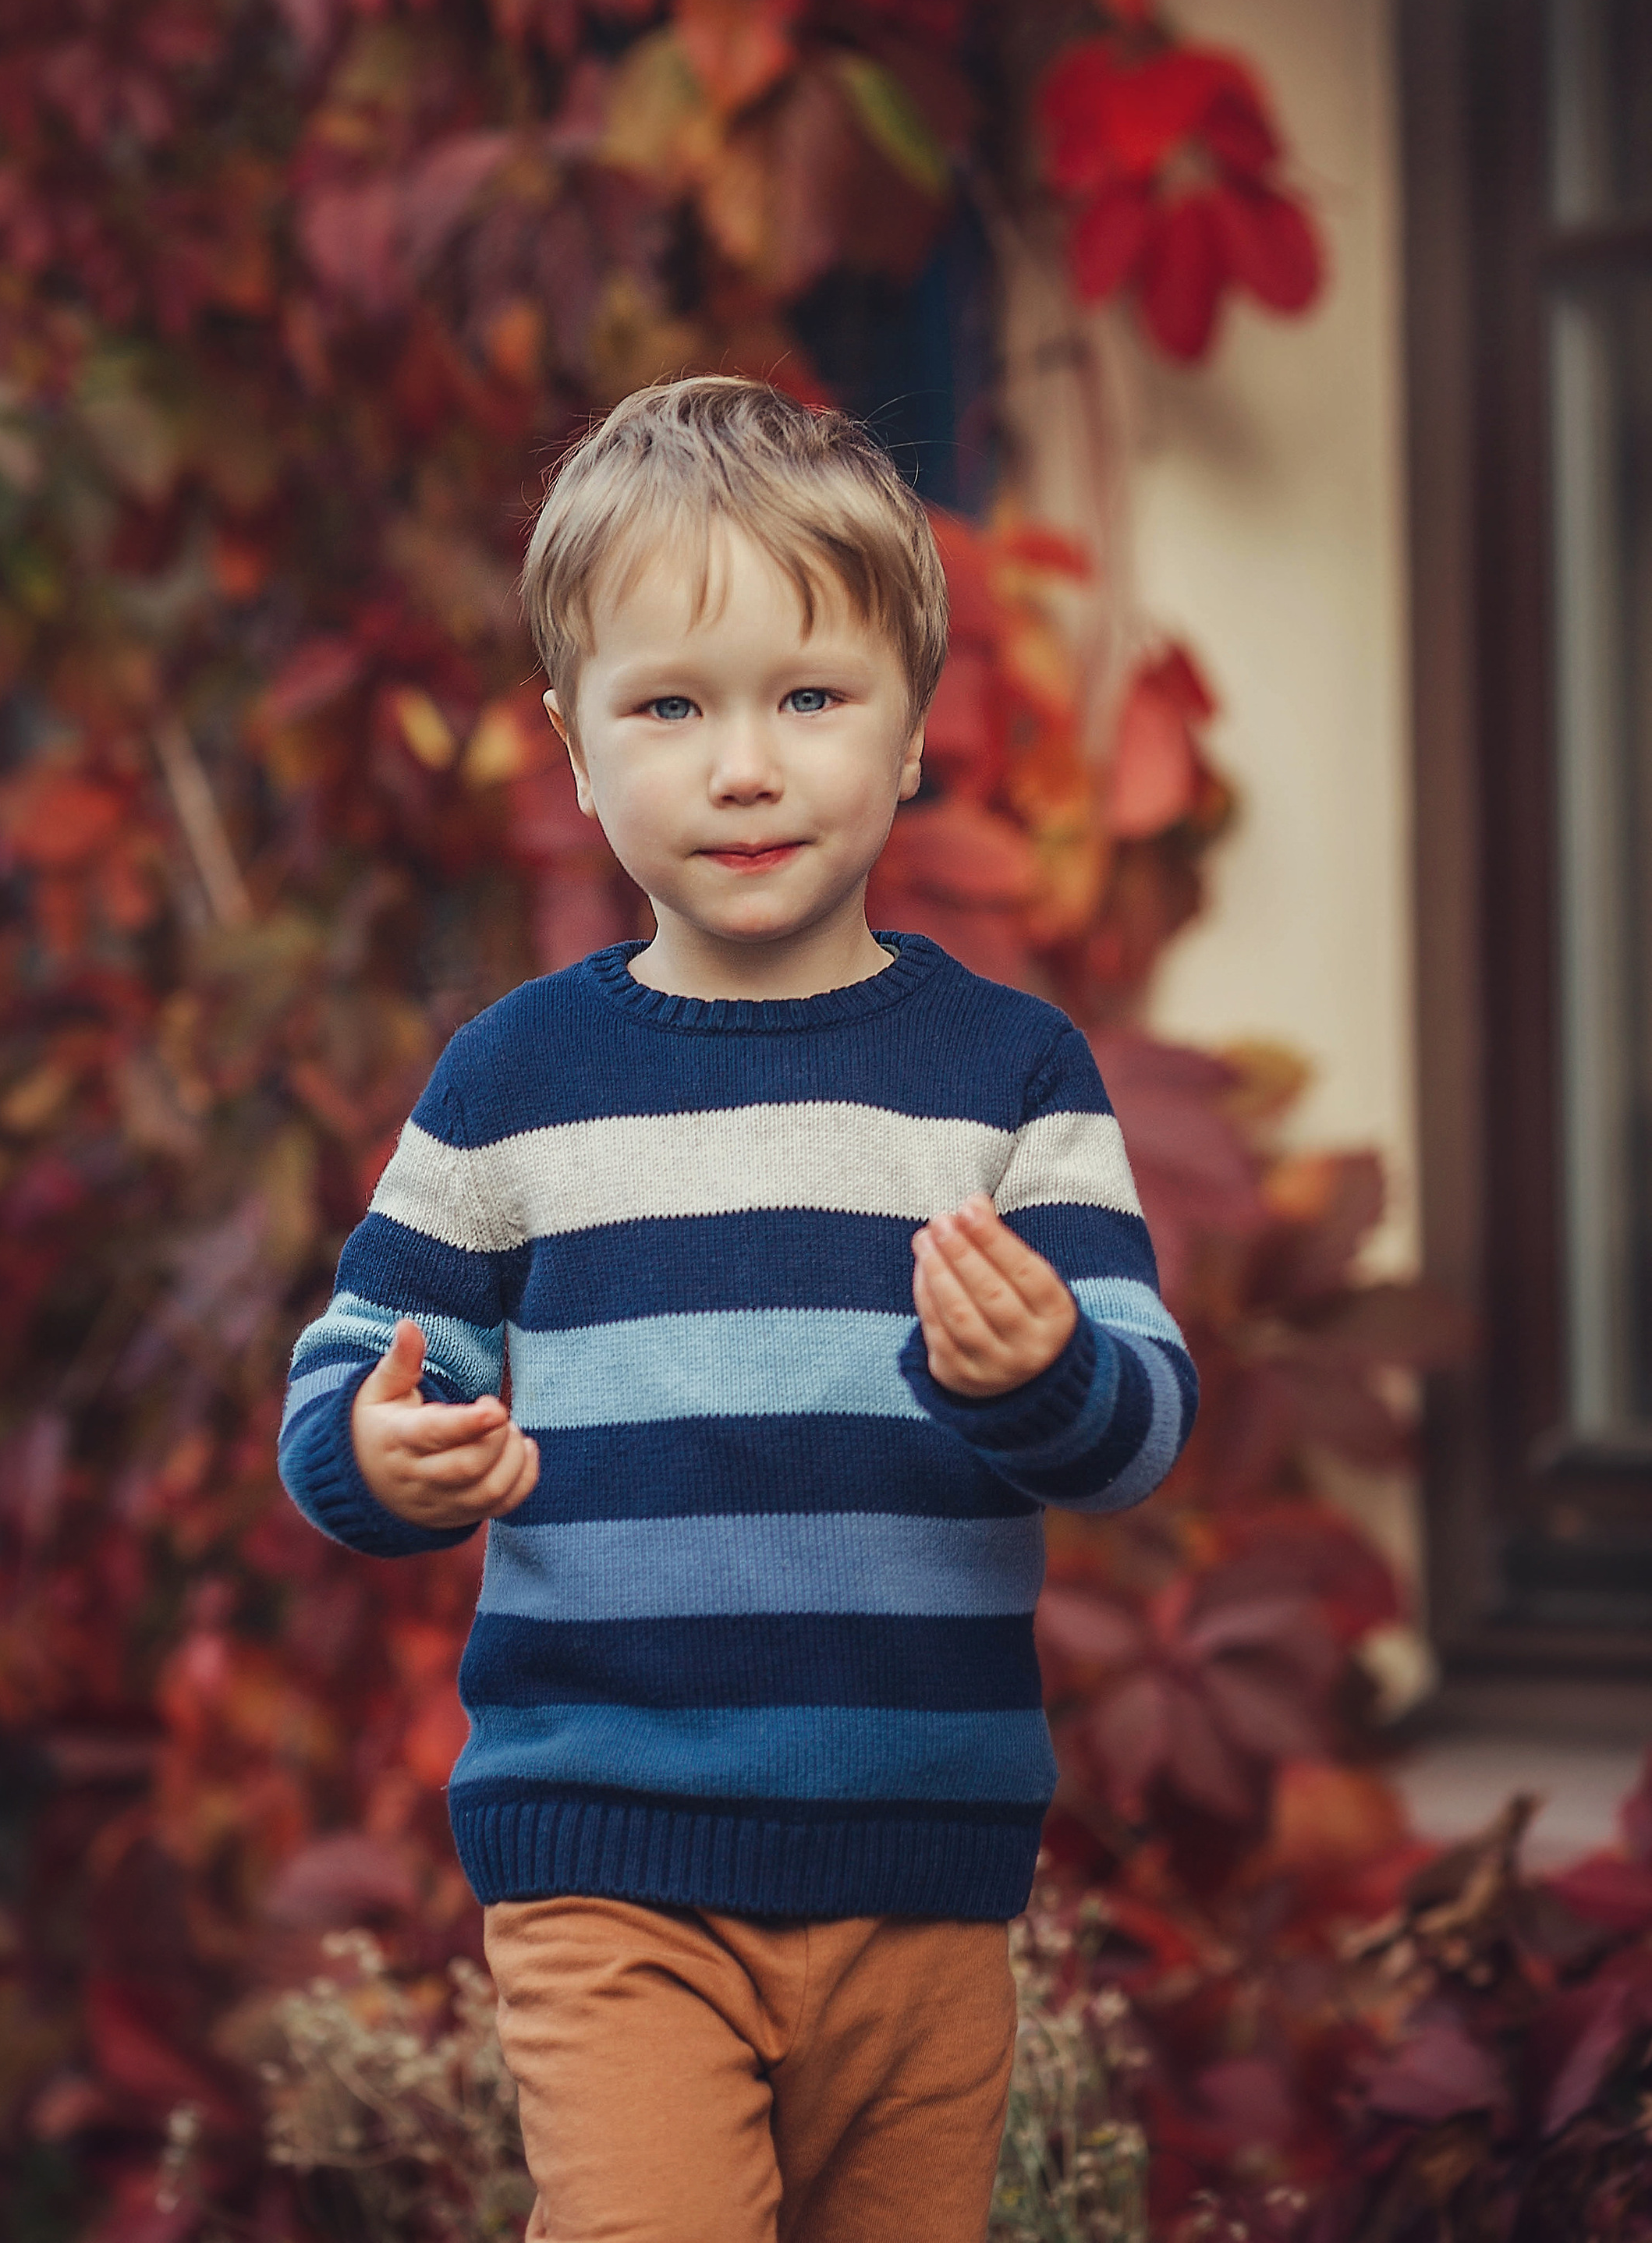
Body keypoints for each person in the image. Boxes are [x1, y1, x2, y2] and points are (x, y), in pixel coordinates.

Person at [278, 376, 1194, 2243]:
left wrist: (1041, 1375)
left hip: (920, 1864)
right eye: (669, 709)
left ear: (914, 733)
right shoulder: (510, 1081)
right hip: (607, 1854)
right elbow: (357, 1377)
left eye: (807, 698)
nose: (743, 766)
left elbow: (1141, 1421)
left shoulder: (1005, 1075)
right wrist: (385, 1447)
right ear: (574, 746)